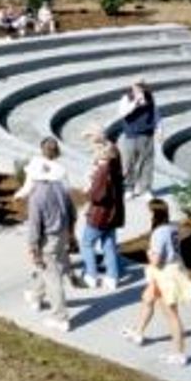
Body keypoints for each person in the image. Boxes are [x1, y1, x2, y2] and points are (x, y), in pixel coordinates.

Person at [121, 198, 191, 366]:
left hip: (165, 274)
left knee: (171, 315)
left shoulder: (158, 233)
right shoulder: (172, 228)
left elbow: (155, 260)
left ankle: (179, 353)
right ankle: (138, 333)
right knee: (147, 298)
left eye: (147, 212)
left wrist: (147, 253)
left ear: (153, 214)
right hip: (171, 269)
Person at [14, 137, 76, 332]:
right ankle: (36, 296)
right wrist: (71, 233)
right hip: (62, 234)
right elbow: (73, 212)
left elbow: (34, 227)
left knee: (53, 276)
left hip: (47, 238)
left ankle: (61, 317)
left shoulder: (36, 197)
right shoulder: (61, 188)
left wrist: (32, 248)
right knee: (47, 267)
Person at [79, 142, 126, 290]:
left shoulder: (102, 172)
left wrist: (88, 189)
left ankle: (91, 276)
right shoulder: (116, 169)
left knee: (87, 244)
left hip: (99, 216)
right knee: (109, 246)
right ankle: (112, 277)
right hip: (113, 216)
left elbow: (97, 196)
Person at [117, 80, 160, 200]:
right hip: (131, 134)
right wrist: (135, 103)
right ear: (133, 86)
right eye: (138, 86)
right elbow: (122, 113)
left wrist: (159, 129)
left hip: (147, 133)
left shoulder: (150, 97)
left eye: (142, 86)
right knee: (129, 162)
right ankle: (129, 188)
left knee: (147, 162)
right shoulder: (126, 98)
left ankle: (146, 189)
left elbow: (155, 113)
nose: (140, 88)